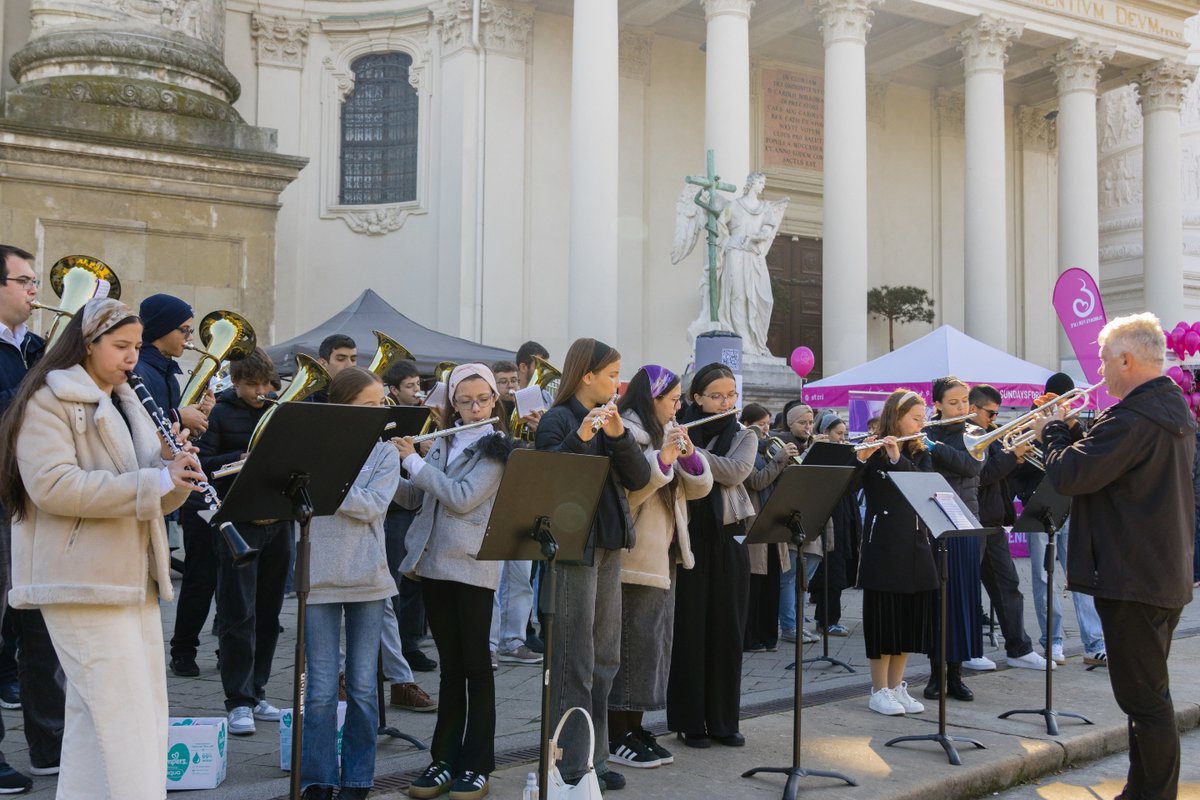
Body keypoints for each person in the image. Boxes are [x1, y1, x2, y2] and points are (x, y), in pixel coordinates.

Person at [0, 297, 201, 797]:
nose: (132, 358)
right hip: (79, 577)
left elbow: (155, 490)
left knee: (107, 716)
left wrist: (177, 475)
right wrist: (154, 481)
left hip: (132, 577)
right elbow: (52, 486)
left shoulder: (126, 400)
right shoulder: (48, 400)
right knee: (125, 718)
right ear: (87, 345)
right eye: (120, 346)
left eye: (136, 346)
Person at [1032, 313, 1195, 800]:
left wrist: (1055, 433)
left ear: (1127, 359)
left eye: (1104, 361)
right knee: (1146, 697)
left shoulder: (1134, 419)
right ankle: (1139, 789)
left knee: (1145, 702)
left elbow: (1071, 476)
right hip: (1159, 570)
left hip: (1132, 576)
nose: (1099, 372)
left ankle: (1155, 794)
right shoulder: (1169, 412)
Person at [535, 339, 651, 792]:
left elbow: (640, 478)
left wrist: (619, 435)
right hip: (573, 549)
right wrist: (580, 438)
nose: (617, 383)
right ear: (586, 375)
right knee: (574, 660)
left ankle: (595, 758)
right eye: (611, 374)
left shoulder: (611, 419)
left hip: (608, 545)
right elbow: (549, 478)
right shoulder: (557, 419)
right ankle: (569, 763)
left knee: (605, 657)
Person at [397, 364, 515, 800]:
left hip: (471, 566)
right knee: (450, 669)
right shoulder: (443, 441)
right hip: (432, 564)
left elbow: (461, 499)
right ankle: (443, 759)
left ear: (494, 401)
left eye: (482, 399)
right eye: (464, 401)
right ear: (451, 402)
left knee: (476, 668)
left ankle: (478, 763)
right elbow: (416, 498)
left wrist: (412, 459)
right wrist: (387, 465)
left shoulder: (497, 447)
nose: (474, 407)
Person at [300, 368, 401, 800]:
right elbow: (300, 501)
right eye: (368, 405)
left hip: (367, 576)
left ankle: (358, 778)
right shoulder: (309, 448)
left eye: (382, 404)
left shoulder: (385, 453)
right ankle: (318, 779)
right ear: (342, 407)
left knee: (362, 687)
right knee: (320, 689)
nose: (378, 412)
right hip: (318, 574)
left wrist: (328, 486)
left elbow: (374, 505)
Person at [607, 365, 711, 769]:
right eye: (673, 399)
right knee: (630, 649)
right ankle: (617, 733)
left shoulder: (666, 429)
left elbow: (699, 488)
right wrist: (662, 457)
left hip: (664, 556)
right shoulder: (625, 433)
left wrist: (686, 455)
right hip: (633, 557)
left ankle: (634, 727)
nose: (678, 406)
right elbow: (627, 496)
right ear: (652, 399)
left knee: (651, 649)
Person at [197, 347, 291, 735]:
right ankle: (237, 700)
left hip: (278, 520)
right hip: (238, 520)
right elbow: (203, 463)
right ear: (235, 383)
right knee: (239, 615)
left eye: (263, 384)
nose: (258, 392)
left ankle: (258, 690)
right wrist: (242, 456)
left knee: (269, 614)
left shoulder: (280, 411)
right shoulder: (220, 412)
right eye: (250, 385)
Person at [667, 363, 757, 748]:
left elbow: (736, 472)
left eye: (731, 395)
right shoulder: (675, 427)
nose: (725, 402)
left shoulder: (745, 434)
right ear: (696, 398)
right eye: (717, 396)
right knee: (689, 630)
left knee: (727, 630)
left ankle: (723, 721)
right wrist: (679, 447)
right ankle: (690, 722)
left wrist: (690, 451)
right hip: (687, 538)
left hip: (728, 538)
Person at [1015, 373, 1108, 666]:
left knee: (1081, 576)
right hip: (1042, 503)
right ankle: (1053, 641)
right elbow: (1017, 472)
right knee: (1043, 578)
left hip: (1073, 504)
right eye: (1059, 399)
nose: (1063, 405)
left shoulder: (1072, 424)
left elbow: (1083, 460)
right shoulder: (1028, 424)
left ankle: (1094, 643)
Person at [854, 389, 934, 717]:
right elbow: (849, 487)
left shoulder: (920, 450)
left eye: (922, 418)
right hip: (883, 544)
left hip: (915, 544)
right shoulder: (870, 448)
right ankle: (879, 689)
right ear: (896, 417)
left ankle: (897, 686)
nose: (921, 423)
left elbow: (924, 484)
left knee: (907, 620)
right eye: (915, 418)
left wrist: (898, 457)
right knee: (884, 619)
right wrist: (861, 458)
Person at [0, 245, 48, 793]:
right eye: (25, 281)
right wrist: (40, 387)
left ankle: (50, 743)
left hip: (33, 500)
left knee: (40, 629)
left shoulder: (35, 345)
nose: (35, 291)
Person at [967, 384, 1048, 672]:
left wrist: (1021, 457)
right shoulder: (967, 436)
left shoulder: (993, 434)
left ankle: (1019, 648)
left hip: (994, 521)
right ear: (973, 408)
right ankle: (967, 649)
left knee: (1008, 587)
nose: (994, 418)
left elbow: (1004, 476)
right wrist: (1012, 456)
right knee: (967, 591)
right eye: (990, 412)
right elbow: (983, 474)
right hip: (973, 520)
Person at [922, 377, 985, 701]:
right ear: (937, 406)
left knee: (961, 601)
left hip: (964, 526)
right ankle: (935, 676)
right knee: (937, 601)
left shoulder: (975, 434)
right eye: (954, 402)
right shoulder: (925, 433)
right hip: (933, 523)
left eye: (965, 401)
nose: (962, 407)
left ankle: (957, 676)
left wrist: (937, 449)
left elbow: (970, 466)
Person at [742, 407, 793, 653]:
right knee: (755, 586)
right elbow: (757, 480)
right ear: (746, 424)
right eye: (761, 424)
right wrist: (780, 460)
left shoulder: (768, 450)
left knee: (772, 581)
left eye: (768, 423)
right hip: (754, 524)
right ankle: (751, 637)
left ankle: (769, 637)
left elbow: (777, 482)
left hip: (773, 522)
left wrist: (786, 465)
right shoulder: (746, 451)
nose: (766, 429)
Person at [809, 413, 861, 638]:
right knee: (830, 571)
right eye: (838, 434)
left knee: (838, 568)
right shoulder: (819, 452)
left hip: (844, 514)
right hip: (829, 518)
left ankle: (829, 618)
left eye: (844, 434)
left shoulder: (844, 452)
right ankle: (827, 620)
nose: (842, 439)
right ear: (825, 432)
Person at [775, 403, 821, 645]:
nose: (808, 427)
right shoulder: (781, 444)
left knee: (805, 579)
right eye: (802, 422)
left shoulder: (814, 444)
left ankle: (800, 624)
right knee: (790, 577)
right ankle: (789, 626)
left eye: (810, 422)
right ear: (790, 424)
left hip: (814, 520)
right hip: (790, 520)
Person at [133, 293, 212, 435]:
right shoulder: (137, 370)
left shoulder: (170, 376)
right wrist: (178, 416)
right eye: (185, 330)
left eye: (191, 331)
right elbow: (137, 425)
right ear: (163, 328)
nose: (190, 337)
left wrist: (197, 417)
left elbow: (174, 436)